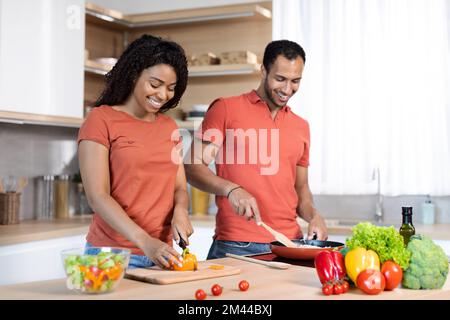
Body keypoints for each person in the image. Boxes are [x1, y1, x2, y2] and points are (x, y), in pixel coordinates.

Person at [184, 40, 328, 259]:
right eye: (280, 79)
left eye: (295, 81)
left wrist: (314, 216)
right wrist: (231, 189)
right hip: (236, 245)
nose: (287, 89)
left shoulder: (301, 126)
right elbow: (192, 167)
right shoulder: (226, 108)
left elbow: (301, 188)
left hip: (288, 245)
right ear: (263, 71)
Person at [77, 34, 192, 269]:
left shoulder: (169, 127)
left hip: (162, 254)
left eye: (171, 88)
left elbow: (179, 187)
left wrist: (180, 210)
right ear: (133, 74)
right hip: (111, 255)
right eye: (155, 84)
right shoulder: (101, 119)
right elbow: (98, 196)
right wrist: (145, 242)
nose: (163, 95)